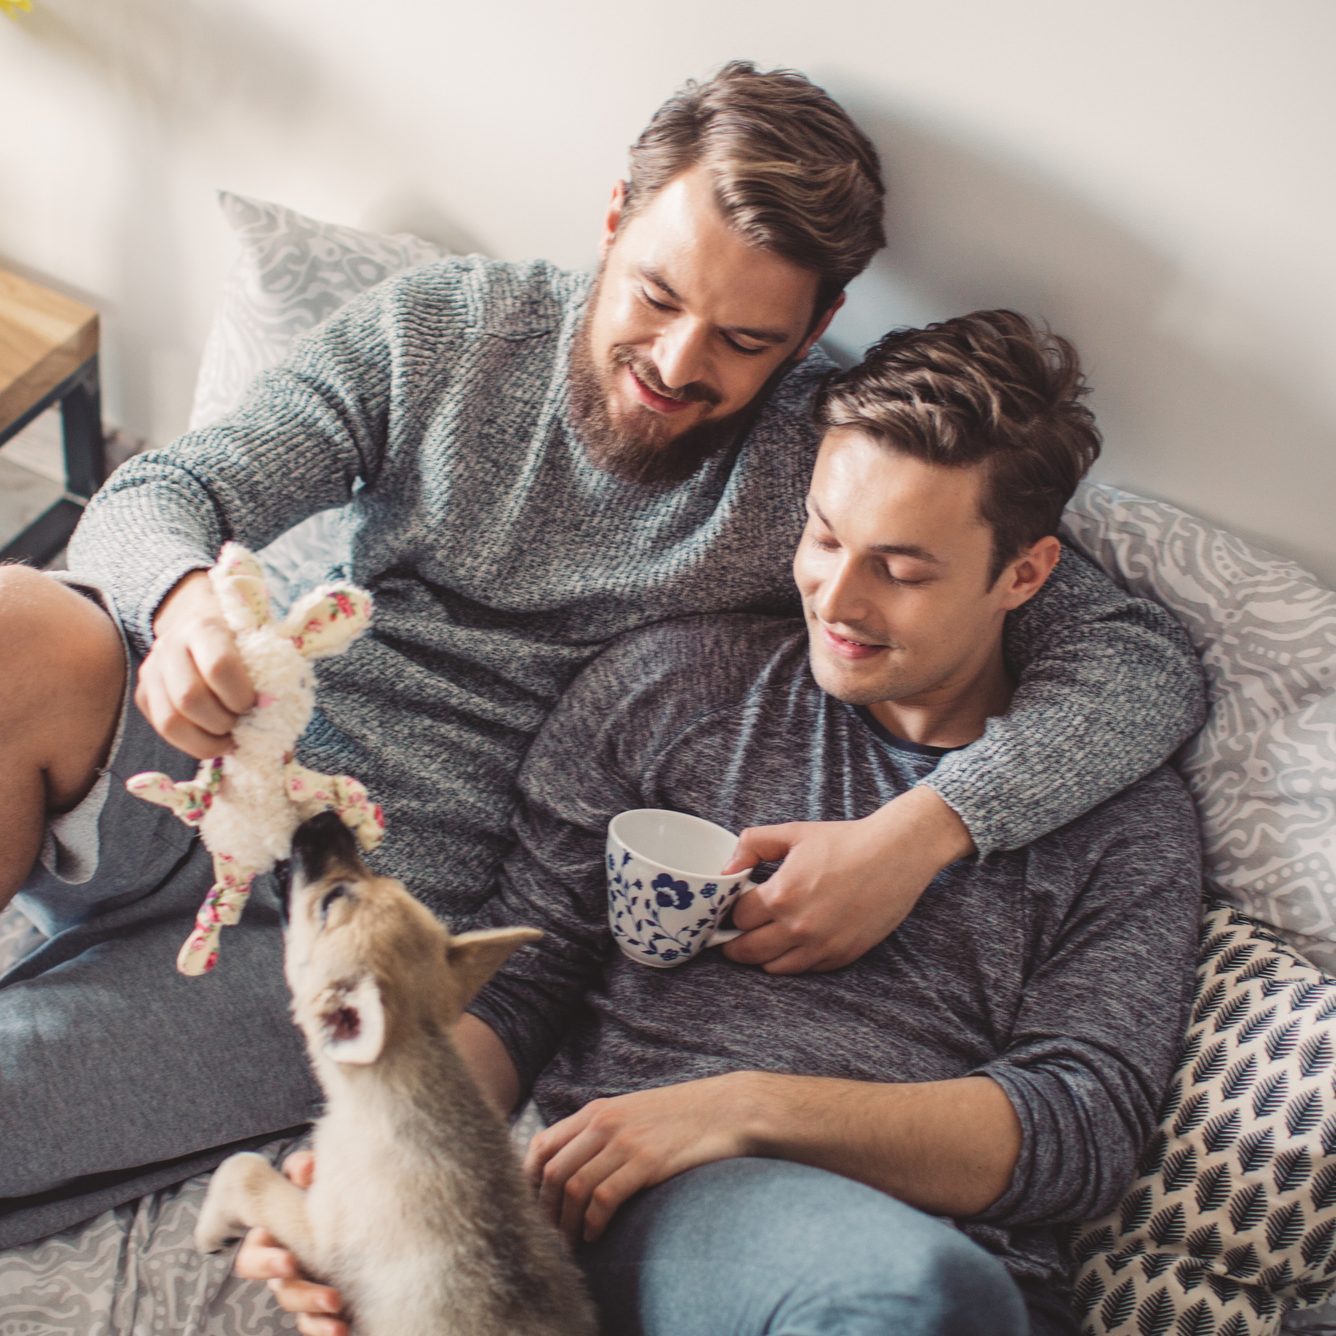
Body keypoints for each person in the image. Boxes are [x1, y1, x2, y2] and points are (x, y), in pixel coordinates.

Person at [0, 63, 1202, 1246]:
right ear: (614, 220)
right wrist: (177, 600)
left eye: (743, 337)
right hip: (235, 747)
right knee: (21, 623)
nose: (681, 365)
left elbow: (1143, 663)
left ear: (815, 328)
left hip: (376, 920)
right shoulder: (448, 329)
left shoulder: (824, 471)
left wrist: (918, 835)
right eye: (656, 296)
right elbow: (167, 488)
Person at [246, 310, 1203, 1336]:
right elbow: (526, 980)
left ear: (1024, 574)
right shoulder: (670, 690)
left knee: (925, 1298)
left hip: (947, 1269)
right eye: (825, 536)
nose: (836, 595)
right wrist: (378, 1158)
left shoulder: (1121, 815)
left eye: (903, 568)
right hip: (646, 1229)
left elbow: (1081, 1127)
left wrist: (742, 1111)